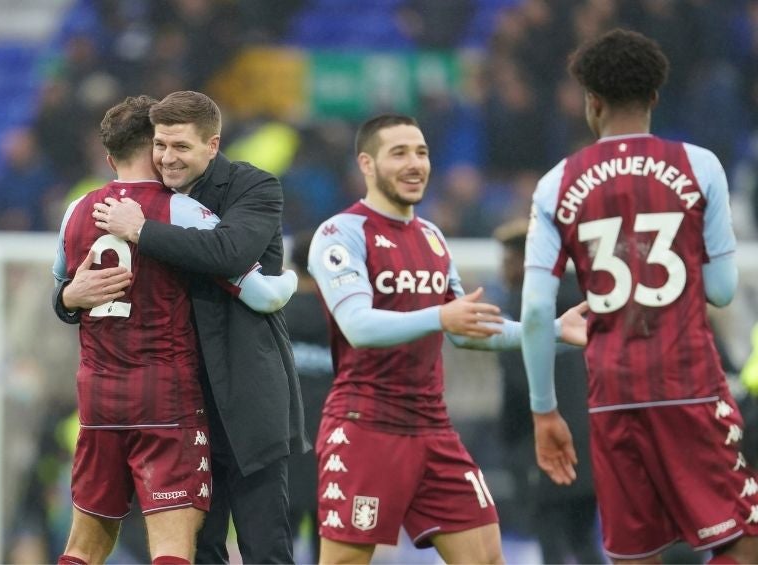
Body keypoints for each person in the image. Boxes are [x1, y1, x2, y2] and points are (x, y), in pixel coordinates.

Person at [520, 28, 758, 564]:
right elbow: (721, 291)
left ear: (592, 103)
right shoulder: (700, 166)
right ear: (654, 97)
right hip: (691, 386)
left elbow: (536, 311)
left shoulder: (557, 183)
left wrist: (545, 413)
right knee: (742, 540)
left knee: (635, 553)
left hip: (613, 395)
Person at [306, 114, 588, 564]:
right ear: (367, 163)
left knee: (487, 557)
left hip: (433, 429)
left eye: (421, 152)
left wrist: (553, 332)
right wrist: (440, 315)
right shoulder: (342, 233)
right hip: (366, 426)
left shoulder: (433, 238)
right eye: (399, 153)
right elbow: (357, 325)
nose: (415, 163)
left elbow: (469, 331)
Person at [61, 90, 310, 564]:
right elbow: (77, 284)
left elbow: (232, 253)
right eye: (160, 145)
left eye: (181, 147)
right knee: (199, 549)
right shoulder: (149, 200)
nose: (167, 158)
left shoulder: (253, 188)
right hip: (175, 403)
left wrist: (143, 230)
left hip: (242, 399)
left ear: (212, 146)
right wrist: (68, 297)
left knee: (264, 547)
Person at [493, 218, 603, 564]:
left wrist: (511, 446)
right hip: (592, 439)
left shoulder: (521, 311)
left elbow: (518, 387)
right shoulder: (587, 304)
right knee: (584, 537)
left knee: (550, 538)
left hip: (541, 444)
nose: (502, 269)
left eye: (508, 260)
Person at [284, 231, 335, 563]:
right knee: (328, 542)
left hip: (282, 443)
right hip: (331, 444)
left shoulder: (273, 311)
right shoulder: (344, 317)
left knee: (278, 541)